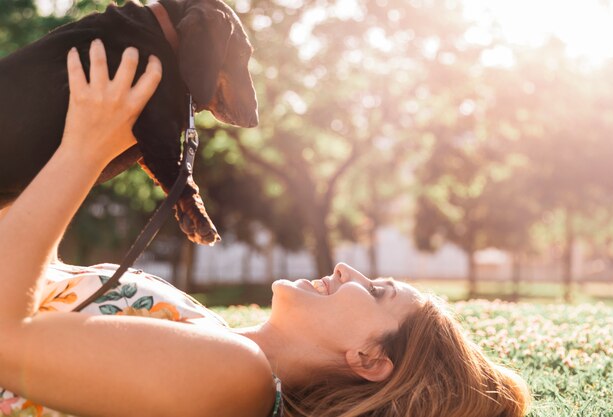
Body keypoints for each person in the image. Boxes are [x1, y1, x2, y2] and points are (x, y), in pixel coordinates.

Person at [0, 40, 531, 417]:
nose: (348, 270)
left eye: (374, 291)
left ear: (370, 360)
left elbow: (7, 343)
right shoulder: (216, 341)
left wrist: (85, 150)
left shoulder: (240, 377)